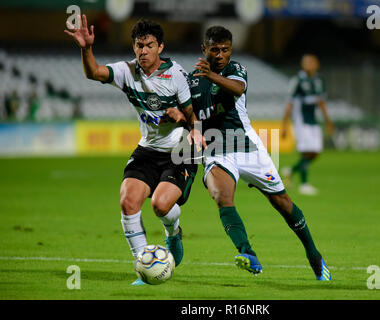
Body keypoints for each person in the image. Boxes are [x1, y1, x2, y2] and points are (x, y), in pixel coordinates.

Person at [169, 26, 331, 281]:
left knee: (282, 203)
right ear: (204, 49)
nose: (220, 54)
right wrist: (185, 122)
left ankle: (314, 254)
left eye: (225, 49)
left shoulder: (236, 70)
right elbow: (192, 116)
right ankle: (248, 253)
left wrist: (211, 75)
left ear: (230, 50)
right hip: (216, 149)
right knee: (221, 195)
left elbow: (237, 89)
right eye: (214, 49)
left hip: (247, 146)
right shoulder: (191, 82)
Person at [65, 15, 204, 285]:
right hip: (148, 149)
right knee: (128, 201)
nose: (143, 51)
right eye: (138, 46)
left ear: (160, 47)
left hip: (180, 150)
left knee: (161, 205)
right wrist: (86, 48)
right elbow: (94, 72)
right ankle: (145, 265)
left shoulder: (176, 75)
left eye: (149, 45)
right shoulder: (127, 71)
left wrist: (181, 117)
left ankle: (173, 233)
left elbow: (195, 119)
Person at [281, 54, 334, 195]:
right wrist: (284, 125)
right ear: (302, 65)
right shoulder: (297, 80)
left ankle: (291, 171)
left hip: (313, 121)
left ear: (317, 64)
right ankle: (304, 184)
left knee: (315, 152)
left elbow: (321, 102)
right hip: (301, 121)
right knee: (306, 151)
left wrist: (328, 121)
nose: (310, 65)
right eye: (307, 62)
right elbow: (289, 104)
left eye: (312, 62)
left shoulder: (319, 80)